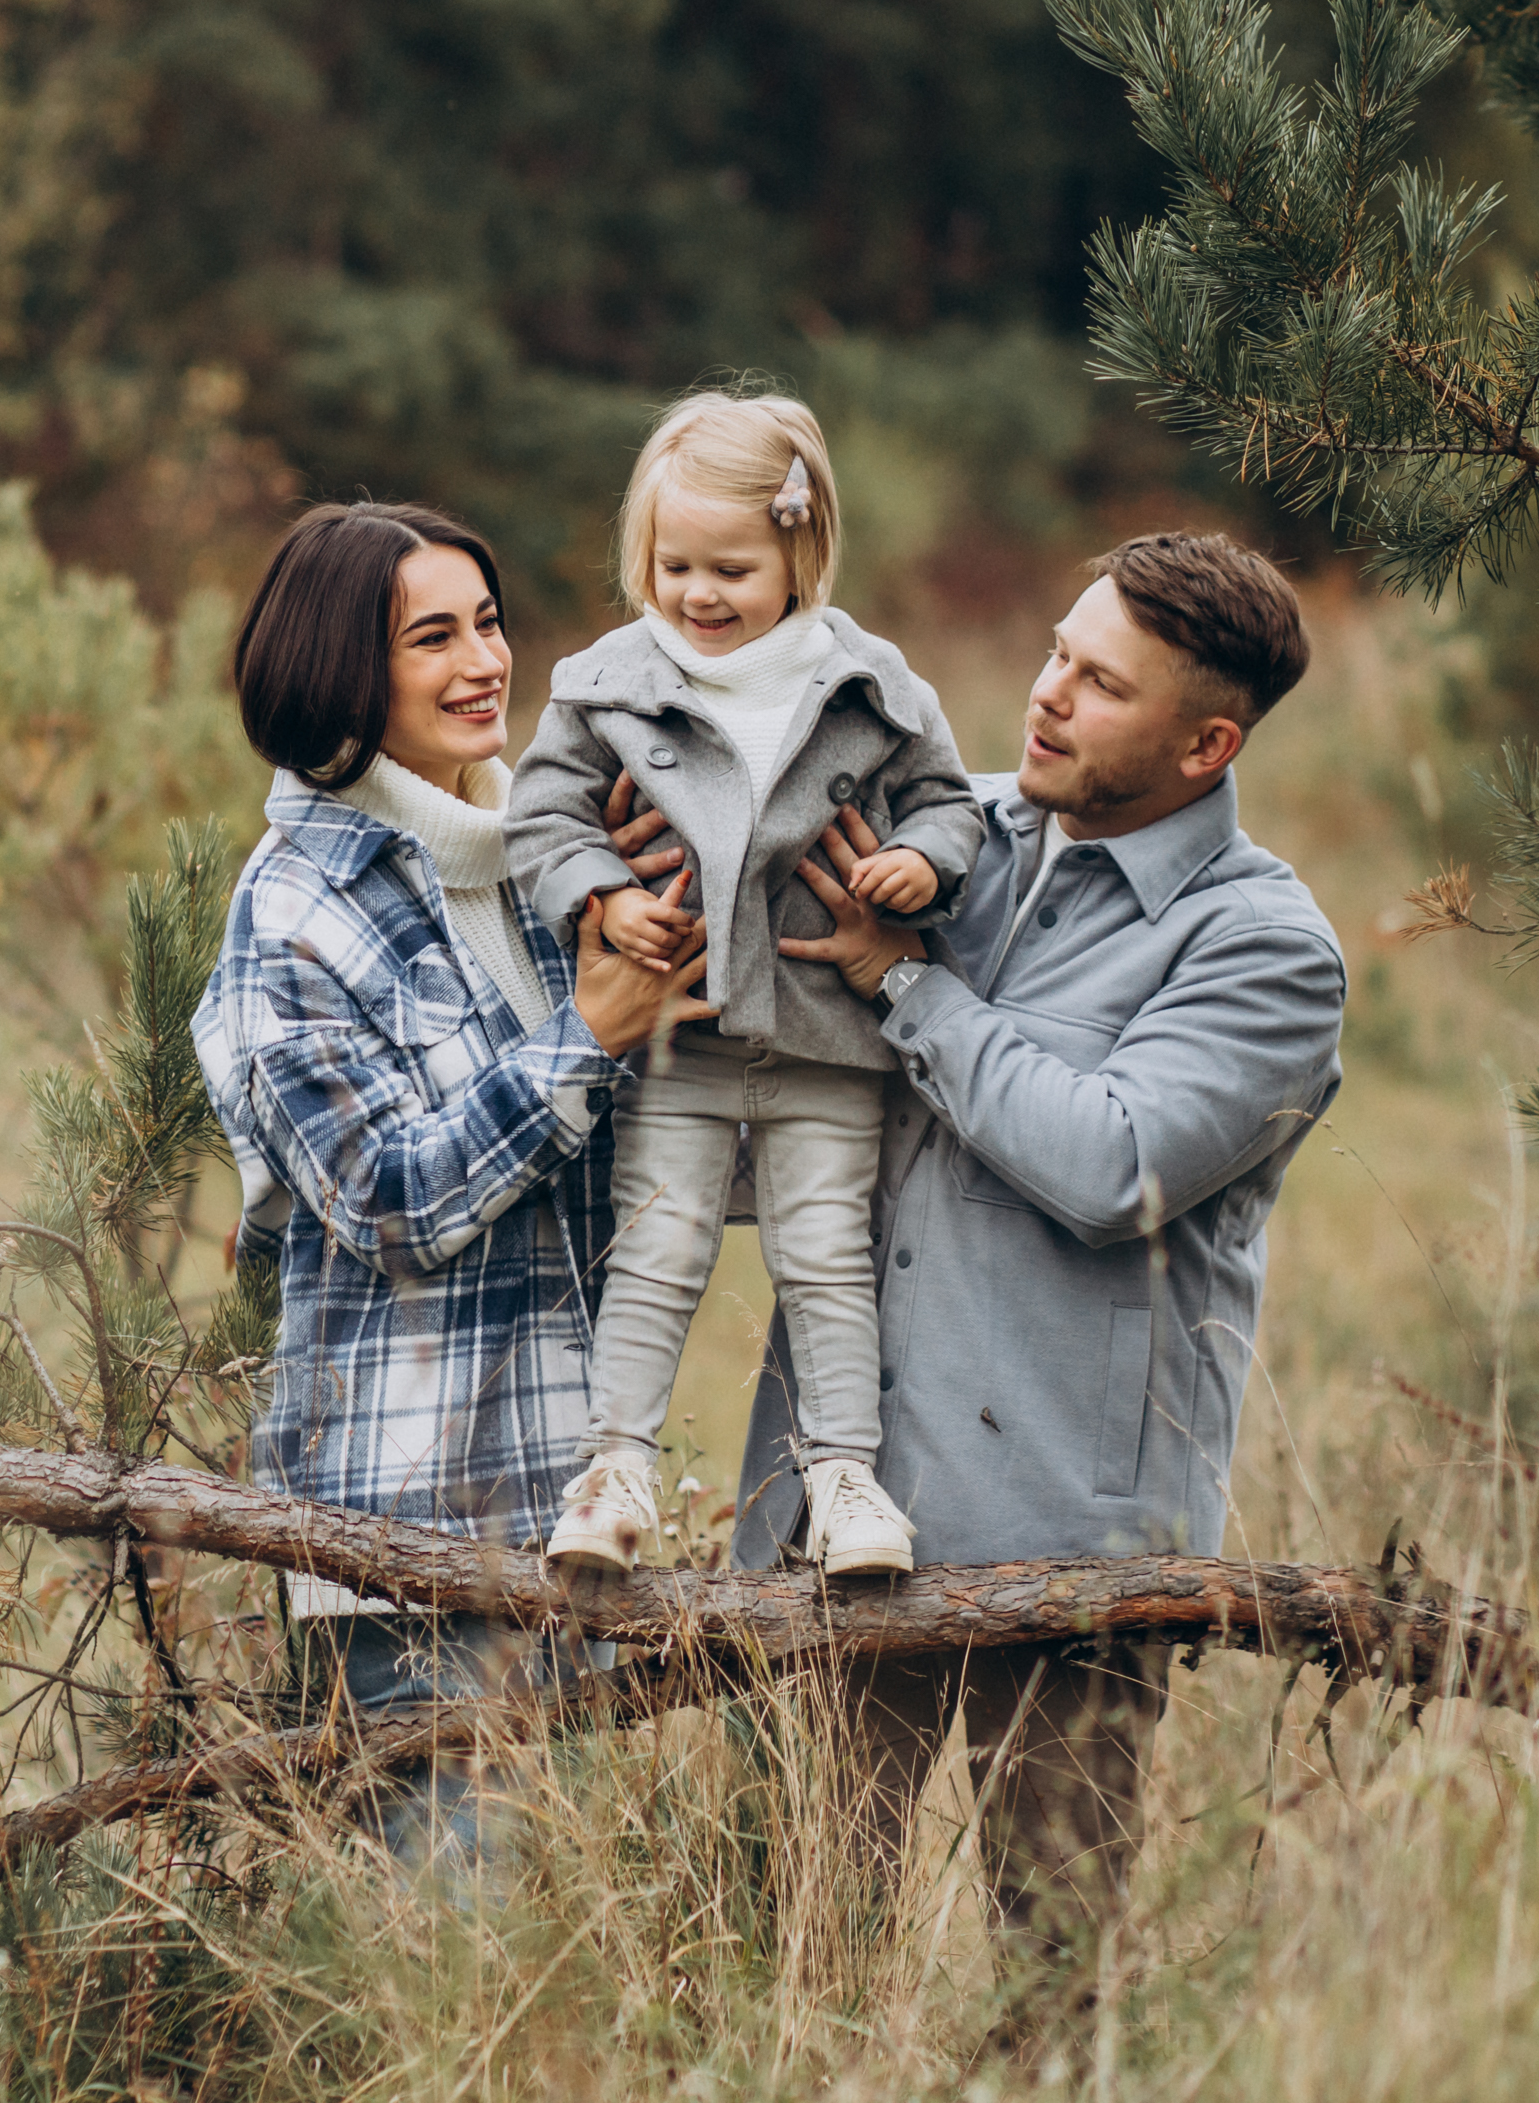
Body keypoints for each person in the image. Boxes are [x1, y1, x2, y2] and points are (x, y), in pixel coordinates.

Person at [735, 531, 1345, 1993]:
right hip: (835, 1506)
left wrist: (907, 987)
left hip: (1067, 1547)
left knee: (1053, 1984)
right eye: (1059, 652)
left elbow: (1109, 1165)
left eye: (1103, 683)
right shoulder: (939, 844)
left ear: (1205, 745)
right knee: (780, 1961)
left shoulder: (1264, 948)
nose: (1049, 692)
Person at [189, 499, 712, 1861]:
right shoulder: (293, 911)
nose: (484, 661)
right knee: (452, 1948)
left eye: (487, 622)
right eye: (432, 638)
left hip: (566, 1512)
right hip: (405, 1543)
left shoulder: (536, 868)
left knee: (562, 1949)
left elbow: (614, 1155)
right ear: (340, 670)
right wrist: (588, 1032)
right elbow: (387, 1201)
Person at [504, 390, 982, 1578]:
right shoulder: (608, 682)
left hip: (825, 1036)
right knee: (655, 1244)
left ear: (799, 554)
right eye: (673, 566)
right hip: (680, 1030)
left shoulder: (867, 683)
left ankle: (843, 1479)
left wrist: (920, 862)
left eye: (731, 569)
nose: (698, 596)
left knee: (825, 1256)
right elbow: (544, 814)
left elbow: (948, 801)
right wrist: (601, 895)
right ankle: (615, 1468)